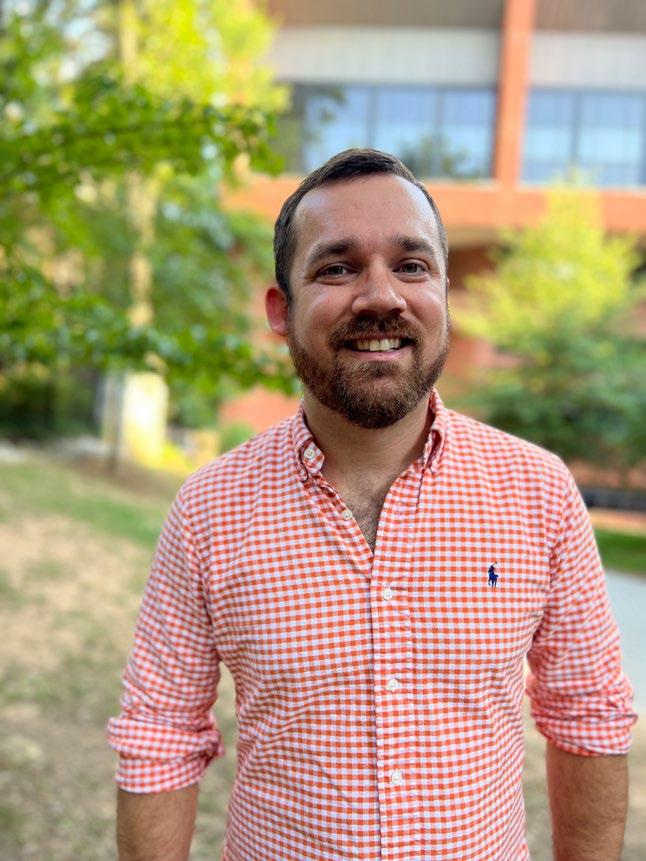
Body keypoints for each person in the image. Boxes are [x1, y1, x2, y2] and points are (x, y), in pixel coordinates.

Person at [107, 149, 637, 861]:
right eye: (337, 268)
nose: (381, 296)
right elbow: (160, 736)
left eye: (412, 265)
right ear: (280, 310)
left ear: (445, 294)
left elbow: (588, 717)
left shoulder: (539, 493)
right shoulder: (209, 510)